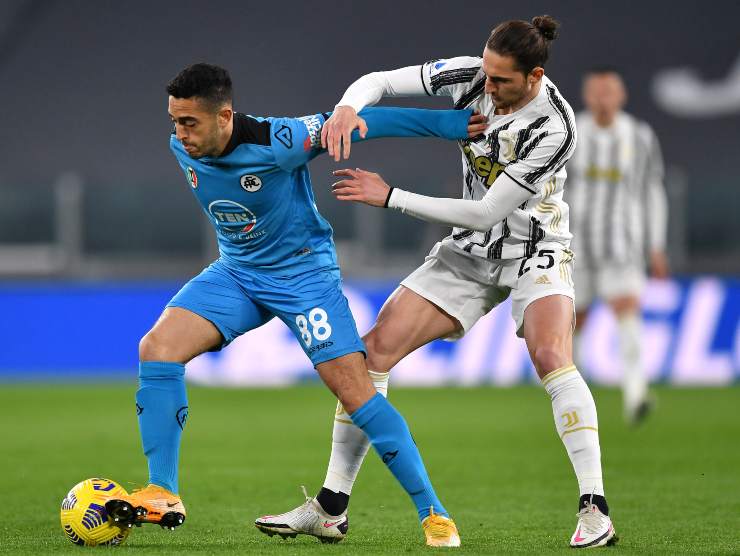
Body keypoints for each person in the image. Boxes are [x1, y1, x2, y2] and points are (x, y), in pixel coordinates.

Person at [257, 16, 617, 549]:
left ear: (534, 76)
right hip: (469, 255)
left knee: (549, 354)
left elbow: (488, 210)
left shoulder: (556, 128)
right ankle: (332, 508)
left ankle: (595, 508)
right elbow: (378, 81)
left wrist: (390, 196)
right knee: (372, 353)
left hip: (536, 249)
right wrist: (347, 109)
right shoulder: (471, 75)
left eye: (500, 81)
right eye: (486, 73)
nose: (486, 88)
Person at [102, 62, 487, 548]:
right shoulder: (182, 146)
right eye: (174, 121)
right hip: (237, 273)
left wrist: (450, 125)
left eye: (189, 122)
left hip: (304, 278)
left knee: (356, 392)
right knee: (157, 348)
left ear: (224, 116)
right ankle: (164, 492)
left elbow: (363, 124)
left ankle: (434, 514)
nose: (179, 134)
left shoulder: (279, 140)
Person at [567, 68, 669, 424]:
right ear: (586, 94)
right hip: (574, 243)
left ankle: (636, 395)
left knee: (627, 311)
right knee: (573, 321)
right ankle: (570, 399)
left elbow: (652, 191)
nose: (603, 99)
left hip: (622, 243)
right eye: (596, 92)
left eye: (609, 92)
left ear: (621, 95)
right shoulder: (572, 131)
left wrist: (655, 244)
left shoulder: (638, 136)